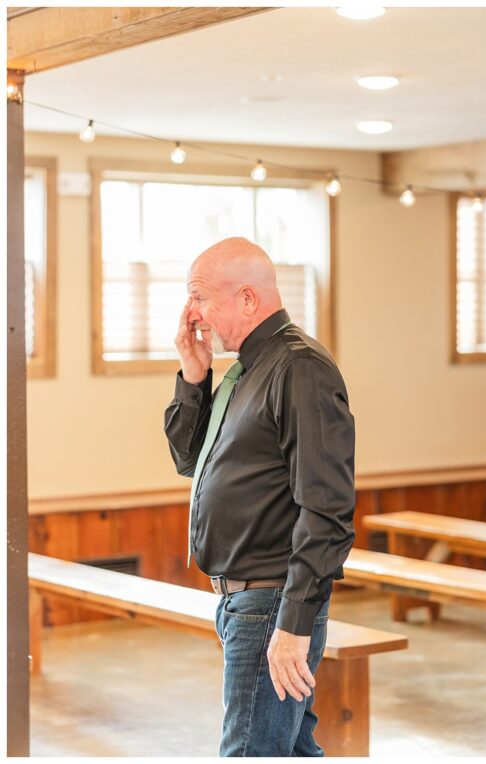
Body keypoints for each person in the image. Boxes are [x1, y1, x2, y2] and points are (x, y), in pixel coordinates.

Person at [164, 237, 356, 757]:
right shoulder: (245, 370)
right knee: (288, 751)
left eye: (200, 297)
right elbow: (189, 459)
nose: (192, 313)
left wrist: (292, 624)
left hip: (272, 603)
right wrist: (193, 373)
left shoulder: (300, 368)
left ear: (248, 299)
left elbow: (328, 510)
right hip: (243, 602)